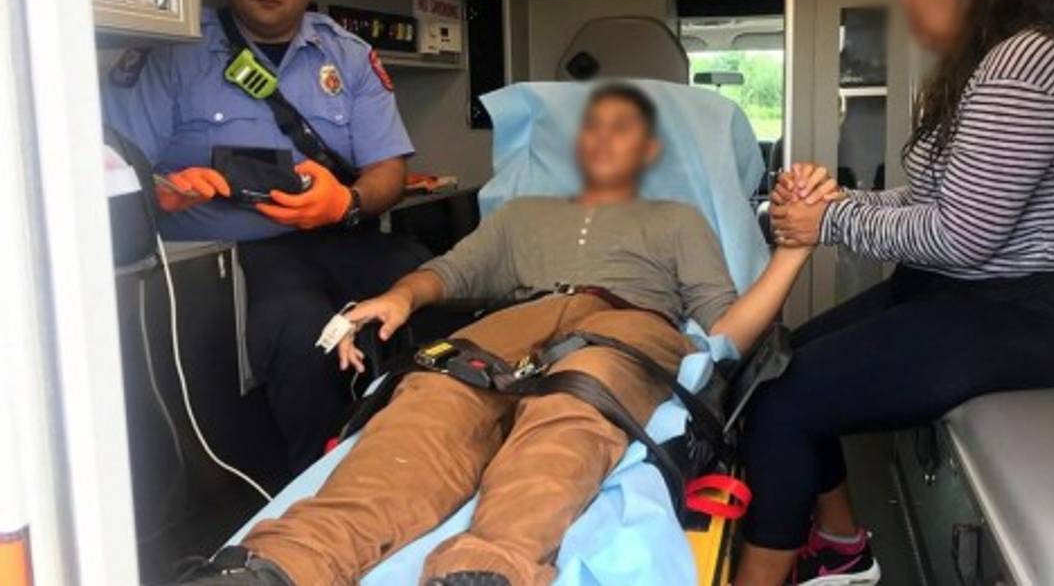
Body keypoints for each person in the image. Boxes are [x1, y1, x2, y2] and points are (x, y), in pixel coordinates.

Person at [176, 84, 840, 586]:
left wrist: (791, 255)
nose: (603, 138)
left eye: (624, 128)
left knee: (578, 400)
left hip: (629, 326)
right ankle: (283, 563)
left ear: (651, 151)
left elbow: (723, 328)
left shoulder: (677, 221)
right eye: (592, 126)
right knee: (430, 400)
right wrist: (399, 297)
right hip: (517, 324)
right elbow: (450, 271)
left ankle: (489, 568)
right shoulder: (521, 216)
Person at [734, 0, 1054, 584]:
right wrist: (832, 202)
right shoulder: (995, 61)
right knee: (782, 363)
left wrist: (826, 221)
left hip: (1045, 311)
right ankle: (842, 547)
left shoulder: (1026, 63)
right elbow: (930, 202)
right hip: (982, 291)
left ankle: (781, 569)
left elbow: (962, 235)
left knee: (785, 398)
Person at [103, 0, 429, 473]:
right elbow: (110, 165)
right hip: (238, 257)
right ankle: (313, 486)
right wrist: (160, 191)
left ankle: (421, 455)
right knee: (301, 330)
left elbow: (388, 169)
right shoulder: (173, 54)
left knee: (426, 281)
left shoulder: (346, 56)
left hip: (337, 233)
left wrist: (348, 202)